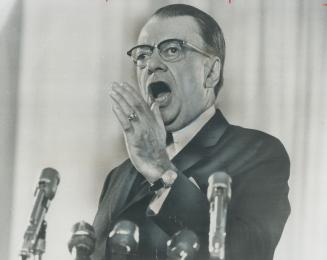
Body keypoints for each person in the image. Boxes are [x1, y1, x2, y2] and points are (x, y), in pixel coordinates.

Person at [92, 4, 290, 260]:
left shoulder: (258, 153)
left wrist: (162, 171)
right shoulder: (118, 176)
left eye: (172, 50)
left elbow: (247, 252)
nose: (151, 65)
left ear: (210, 72)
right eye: (142, 55)